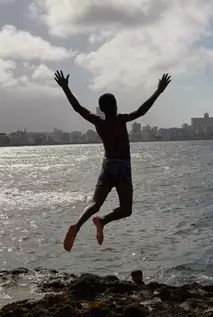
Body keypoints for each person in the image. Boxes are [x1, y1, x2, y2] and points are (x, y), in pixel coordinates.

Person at [55, 70, 171, 251]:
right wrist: (159, 91)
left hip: (107, 165)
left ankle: (77, 226)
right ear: (115, 106)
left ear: (102, 109)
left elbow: (78, 108)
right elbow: (142, 111)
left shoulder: (98, 121)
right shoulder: (120, 119)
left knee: (94, 204)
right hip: (123, 167)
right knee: (126, 209)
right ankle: (103, 221)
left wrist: (65, 88)